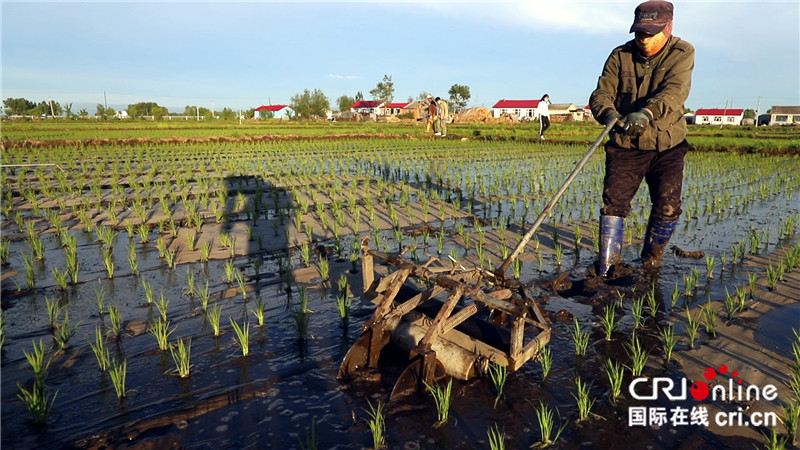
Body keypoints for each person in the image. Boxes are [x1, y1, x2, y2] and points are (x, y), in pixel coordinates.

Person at [588, 0, 694, 276]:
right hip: (625, 145)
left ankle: (650, 263)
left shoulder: (682, 53)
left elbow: (674, 92)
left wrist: (646, 113)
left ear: (668, 27)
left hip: (666, 145)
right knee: (614, 205)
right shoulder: (619, 55)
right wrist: (608, 113)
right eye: (640, 33)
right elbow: (601, 94)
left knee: (668, 206)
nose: (644, 39)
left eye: (651, 33)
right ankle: (607, 268)